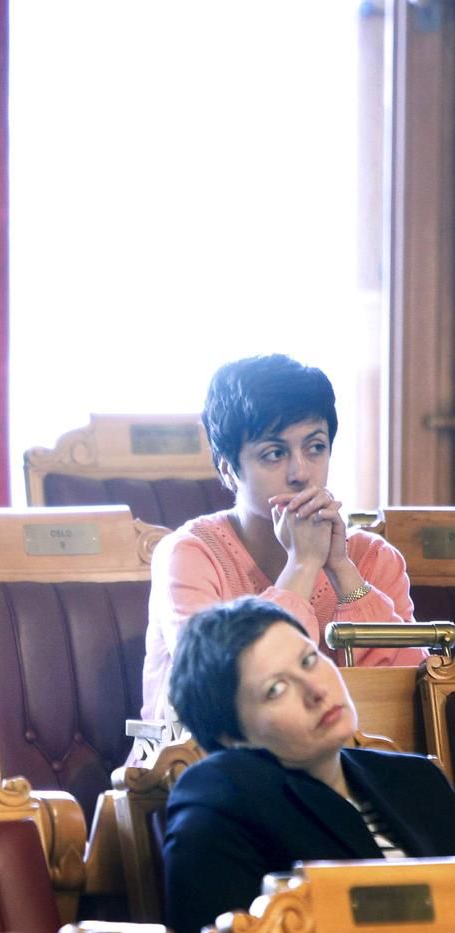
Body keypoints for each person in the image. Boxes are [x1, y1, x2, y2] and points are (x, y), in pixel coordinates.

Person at [141, 354, 422, 721]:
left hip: (349, 754)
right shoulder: (188, 555)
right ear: (228, 470)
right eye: (274, 453)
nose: (300, 473)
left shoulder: (372, 556)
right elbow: (228, 694)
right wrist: (302, 564)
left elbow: (414, 692)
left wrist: (342, 570)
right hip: (209, 754)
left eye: (315, 447)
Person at [163, 597, 455, 933]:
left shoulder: (417, 778)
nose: (316, 690)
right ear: (230, 737)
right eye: (276, 689)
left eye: (309, 660)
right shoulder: (219, 805)